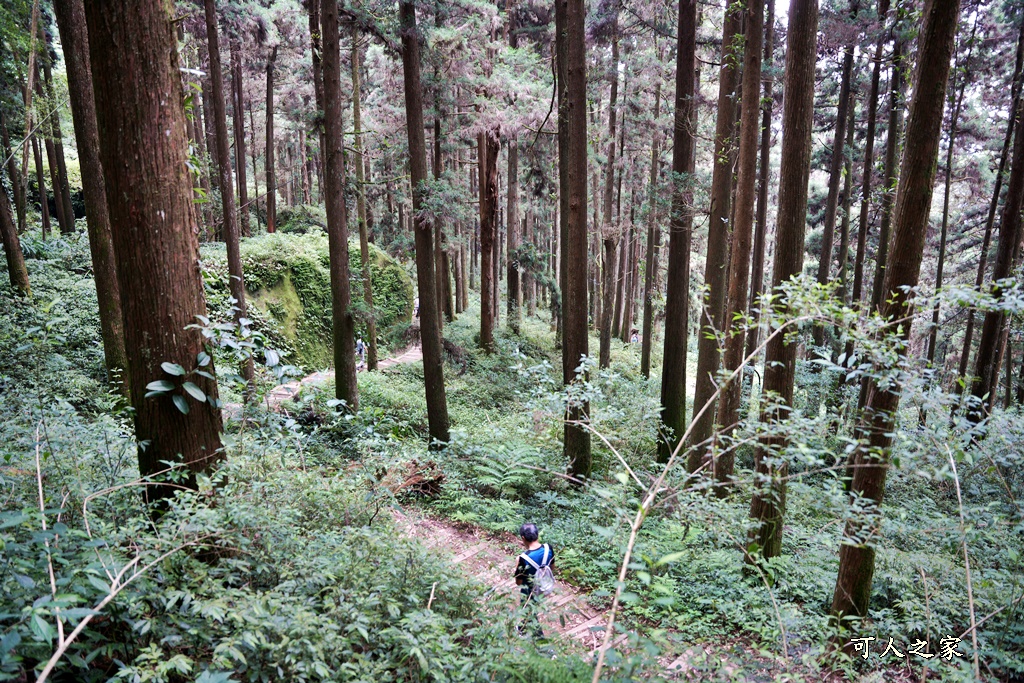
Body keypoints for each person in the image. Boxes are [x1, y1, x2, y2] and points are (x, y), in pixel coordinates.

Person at [513, 523, 554, 638]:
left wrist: (517, 567)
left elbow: (519, 582)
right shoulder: (548, 548)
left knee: (529, 612)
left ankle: (544, 647)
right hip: (544, 585)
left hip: (529, 591)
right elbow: (551, 567)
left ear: (523, 538)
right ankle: (522, 627)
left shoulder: (522, 558)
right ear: (537, 535)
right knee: (531, 609)